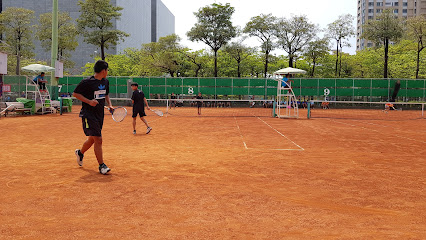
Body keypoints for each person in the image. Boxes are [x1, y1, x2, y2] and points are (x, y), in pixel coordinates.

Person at [73, 60, 113, 175]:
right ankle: (102, 165)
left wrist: (109, 104)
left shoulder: (105, 82)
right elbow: (75, 94)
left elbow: (106, 94)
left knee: (92, 139)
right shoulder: (87, 82)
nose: (107, 72)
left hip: (99, 114)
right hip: (88, 114)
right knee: (98, 139)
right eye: (107, 70)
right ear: (104, 71)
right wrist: (89, 101)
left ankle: (80, 153)